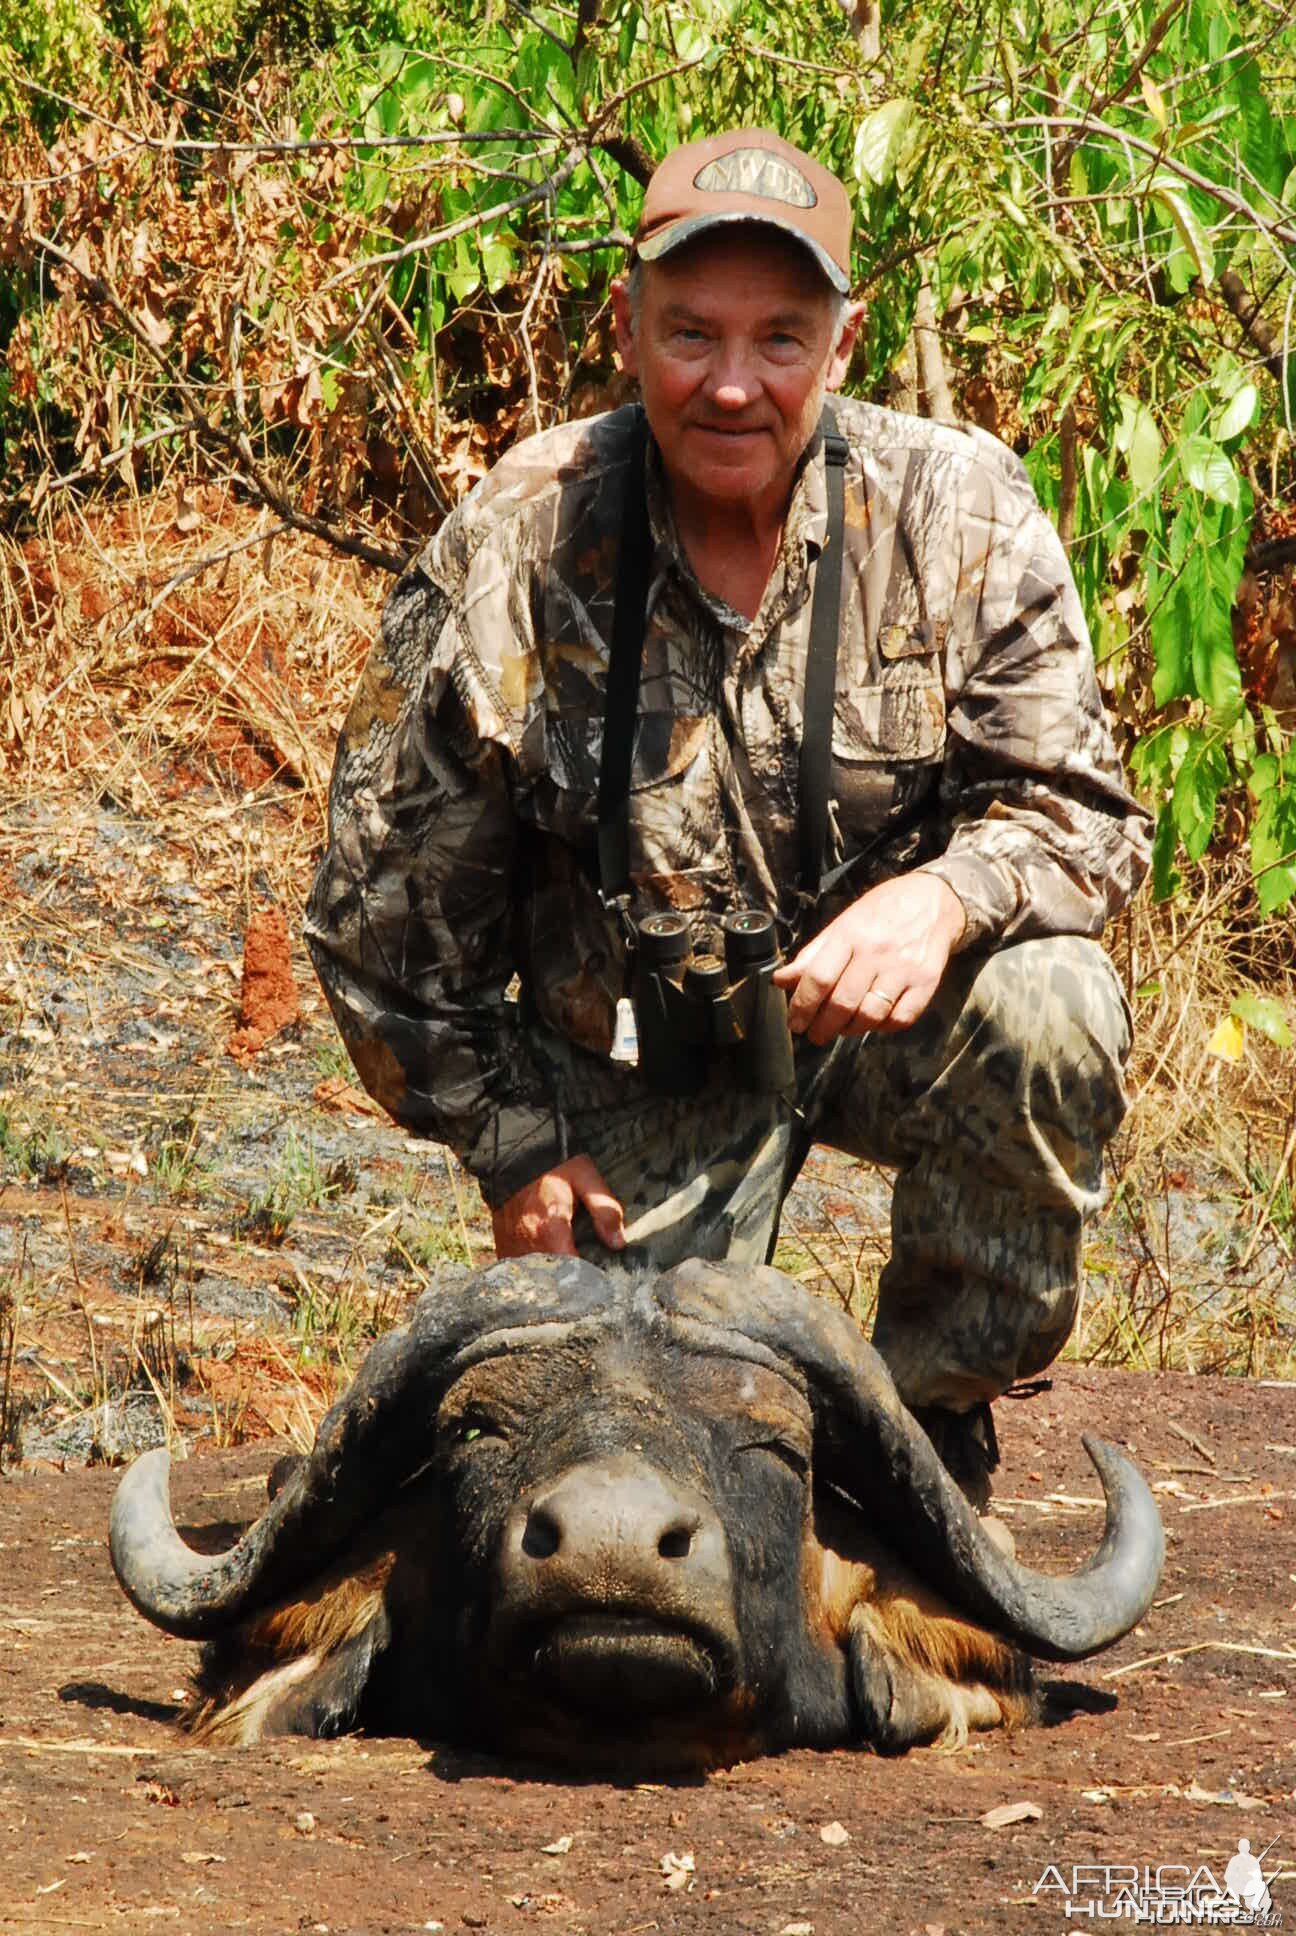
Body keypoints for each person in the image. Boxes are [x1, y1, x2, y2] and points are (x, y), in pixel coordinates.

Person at [305, 127, 1150, 1507]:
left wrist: (945, 897)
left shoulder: (961, 504)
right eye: (691, 333)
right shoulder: (520, 531)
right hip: (629, 1069)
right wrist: (514, 1146)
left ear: (845, 339)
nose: (734, 385)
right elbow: (378, 926)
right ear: (627, 325)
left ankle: (926, 1430)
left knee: (1055, 1001)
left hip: (882, 1032)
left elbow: (1081, 810)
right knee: (647, 1454)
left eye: (781, 338)